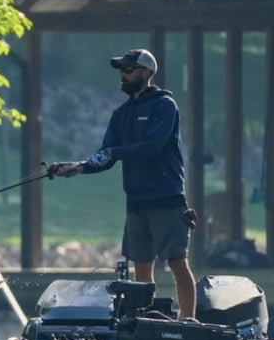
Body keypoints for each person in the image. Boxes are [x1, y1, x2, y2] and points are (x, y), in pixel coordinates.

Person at [47, 48, 197, 320]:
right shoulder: (121, 114)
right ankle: (144, 321)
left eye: (128, 69)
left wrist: (115, 153)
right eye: (121, 70)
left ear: (146, 73)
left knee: (176, 261)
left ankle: (189, 320)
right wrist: (77, 167)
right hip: (136, 202)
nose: (123, 75)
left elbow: (151, 147)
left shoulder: (165, 106)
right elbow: (106, 155)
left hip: (167, 198)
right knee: (141, 265)